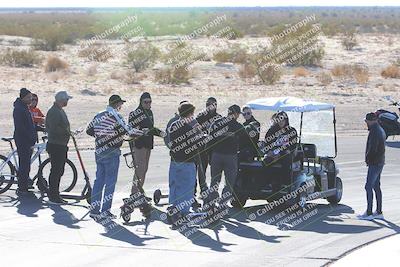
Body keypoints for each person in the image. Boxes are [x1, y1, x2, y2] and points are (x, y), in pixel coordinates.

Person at [87, 95, 144, 219]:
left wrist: (100, 137)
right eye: (120, 104)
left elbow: (89, 130)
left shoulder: (99, 115)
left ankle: (94, 209)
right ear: (117, 104)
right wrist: (141, 132)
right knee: (110, 182)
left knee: (99, 181)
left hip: (99, 150)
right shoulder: (115, 116)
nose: (121, 107)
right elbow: (127, 131)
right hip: (111, 151)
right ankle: (105, 211)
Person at [167, 102, 205, 226]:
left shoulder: (173, 125)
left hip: (175, 161)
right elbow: (197, 144)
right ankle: (182, 214)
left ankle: (174, 210)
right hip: (187, 162)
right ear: (189, 114)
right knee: (187, 189)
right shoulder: (189, 128)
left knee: (176, 187)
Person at [129, 92, 166, 199]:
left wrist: (160, 133)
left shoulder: (150, 112)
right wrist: (140, 131)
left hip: (148, 143)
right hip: (139, 144)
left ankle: (140, 192)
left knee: (144, 169)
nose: (148, 104)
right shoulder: (135, 113)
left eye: (150, 102)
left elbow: (151, 128)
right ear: (141, 102)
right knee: (139, 169)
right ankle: (134, 193)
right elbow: (131, 130)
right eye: (146, 102)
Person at [208, 104, 247, 206]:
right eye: (238, 114)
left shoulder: (216, 124)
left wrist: (209, 156)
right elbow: (245, 142)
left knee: (214, 181)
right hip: (231, 157)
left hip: (216, 155)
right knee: (229, 183)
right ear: (236, 114)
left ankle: (211, 205)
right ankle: (222, 205)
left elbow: (209, 141)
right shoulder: (239, 127)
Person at [45, 91, 72, 204]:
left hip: (61, 144)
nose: (67, 102)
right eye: (66, 99)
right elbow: (53, 128)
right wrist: (66, 132)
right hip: (56, 145)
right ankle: (53, 195)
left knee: (59, 170)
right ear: (61, 100)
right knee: (56, 170)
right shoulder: (54, 112)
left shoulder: (60, 110)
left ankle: (55, 193)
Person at [358, 112, 386, 221]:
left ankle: (369, 213)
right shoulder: (380, 129)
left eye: (366, 121)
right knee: (376, 186)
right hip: (380, 162)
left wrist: (368, 160)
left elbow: (372, 148)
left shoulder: (375, 131)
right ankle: (378, 212)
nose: (366, 123)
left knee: (368, 186)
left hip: (375, 163)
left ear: (371, 121)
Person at [263, 111, 298, 188]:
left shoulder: (291, 131)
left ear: (286, 120)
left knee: (286, 160)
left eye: (282, 120)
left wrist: (280, 153)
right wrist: (269, 152)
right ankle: (267, 183)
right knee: (265, 162)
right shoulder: (272, 130)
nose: (281, 122)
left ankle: (285, 184)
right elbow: (267, 143)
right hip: (273, 153)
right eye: (279, 120)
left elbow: (292, 146)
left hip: (285, 154)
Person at [195, 97, 222, 196]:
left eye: (211, 104)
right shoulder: (200, 117)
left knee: (216, 170)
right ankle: (202, 190)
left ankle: (213, 190)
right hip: (202, 147)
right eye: (207, 104)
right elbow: (194, 129)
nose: (209, 106)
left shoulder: (219, 118)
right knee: (201, 169)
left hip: (214, 148)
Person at [13, 88, 37, 195]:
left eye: (31, 97)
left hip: (27, 140)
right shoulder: (19, 109)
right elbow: (20, 127)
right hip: (23, 140)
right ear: (23, 98)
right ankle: (22, 188)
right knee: (24, 164)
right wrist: (29, 137)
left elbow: (29, 124)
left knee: (26, 163)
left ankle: (25, 183)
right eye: (28, 97)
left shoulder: (25, 107)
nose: (30, 99)